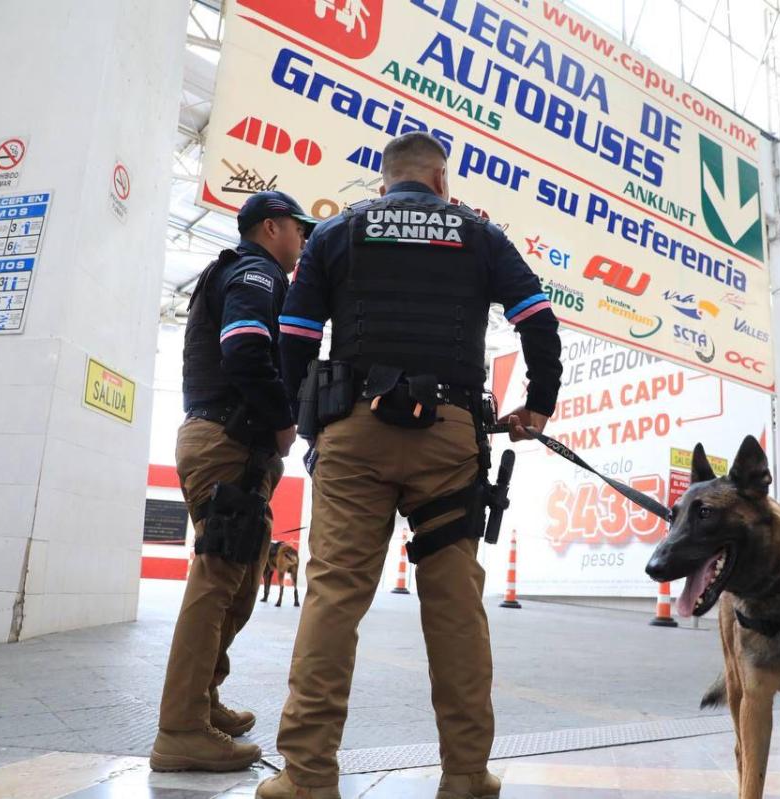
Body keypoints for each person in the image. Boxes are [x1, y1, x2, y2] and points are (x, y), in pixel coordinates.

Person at [256, 132, 562, 799]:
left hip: (353, 431)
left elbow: (297, 338)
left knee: (334, 596)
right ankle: (463, 775)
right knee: (453, 603)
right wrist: (537, 405)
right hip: (450, 438)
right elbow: (537, 319)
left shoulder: (338, 230)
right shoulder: (481, 236)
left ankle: (307, 777)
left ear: (384, 180)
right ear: (442, 181)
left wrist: (314, 424)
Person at [150, 191, 316, 772]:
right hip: (230, 441)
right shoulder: (256, 272)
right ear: (272, 227)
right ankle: (180, 728)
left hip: (226, 441)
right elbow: (247, 349)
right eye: (299, 228)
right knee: (218, 579)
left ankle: (203, 699)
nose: (303, 239)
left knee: (241, 584)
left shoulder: (241, 271)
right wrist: (282, 424)